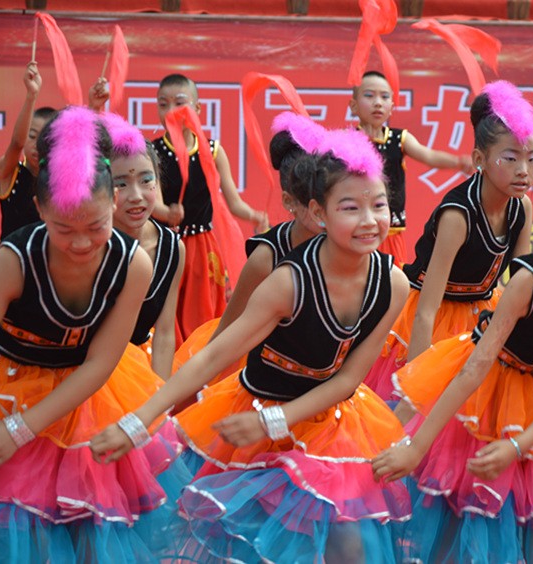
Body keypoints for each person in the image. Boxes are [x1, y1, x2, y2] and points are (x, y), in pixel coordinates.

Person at [90, 128, 412, 563]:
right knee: (251, 547)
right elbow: (216, 353)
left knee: (350, 546)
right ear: (319, 212)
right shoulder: (288, 282)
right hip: (256, 414)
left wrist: (275, 422)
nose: (370, 220)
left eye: (379, 205)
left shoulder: (393, 284)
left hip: (330, 423)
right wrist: (140, 422)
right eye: (350, 208)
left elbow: (348, 380)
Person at [371, 146, 533, 563]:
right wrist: (417, 447)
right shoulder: (529, 282)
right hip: (484, 391)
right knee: (460, 526)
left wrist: (519, 446)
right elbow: (475, 367)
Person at [0, 106, 185, 561]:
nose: (80, 243)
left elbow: (100, 362)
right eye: (64, 229)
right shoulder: (15, 259)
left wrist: (19, 431)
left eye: (96, 227)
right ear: (40, 209)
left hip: (88, 393)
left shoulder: (134, 264)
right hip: (8, 385)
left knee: (90, 530)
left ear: (112, 205)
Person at [364, 80, 533, 401]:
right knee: (426, 407)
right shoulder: (458, 216)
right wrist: (415, 387)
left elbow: (519, 288)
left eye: (532, 158)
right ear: (479, 159)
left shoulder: (521, 207)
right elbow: (426, 311)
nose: (524, 170)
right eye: (511, 158)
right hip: (434, 316)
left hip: (483, 311)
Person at [172, 112, 325, 388]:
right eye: (309, 201)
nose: (320, 211)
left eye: (327, 198)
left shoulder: (343, 248)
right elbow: (226, 331)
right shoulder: (266, 258)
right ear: (289, 202)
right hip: (260, 374)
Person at [151, 73, 269, 342]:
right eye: (163, 104)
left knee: (201, 316)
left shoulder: (212, 151)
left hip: (202, 248)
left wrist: (255, 216)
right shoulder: (153, 152)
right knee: (166, 316)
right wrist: (167, 213)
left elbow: (234, 203)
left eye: (179, 103)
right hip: (167, 244)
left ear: (198, 108)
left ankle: (199, 364)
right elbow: (154, 203)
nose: (170, 111)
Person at [351, 70, 472, 266]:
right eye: (369, 95)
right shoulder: (347, 141)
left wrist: (458, 162)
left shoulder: (399, 139)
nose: (378, 103)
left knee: (393, 275)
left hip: (391, 229)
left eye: (384, 97)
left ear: (392, 107)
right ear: (354, 106)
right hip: (358, 228)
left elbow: (429, 156)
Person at [102, 111, 184, 381]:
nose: (136, 196)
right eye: (121, 184)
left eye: (146, 180)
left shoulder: (172, 248)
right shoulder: (88, 244)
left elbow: (164, 333)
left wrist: (159, 396)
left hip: (136, 374)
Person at [0, 61, 55, 239]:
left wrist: (94, 107)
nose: (37, 144)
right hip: (11, 256)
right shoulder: (10, 172)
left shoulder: (61, 181)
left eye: (46, 139)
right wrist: (31, 95)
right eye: (32, 135)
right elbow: (17, 144)